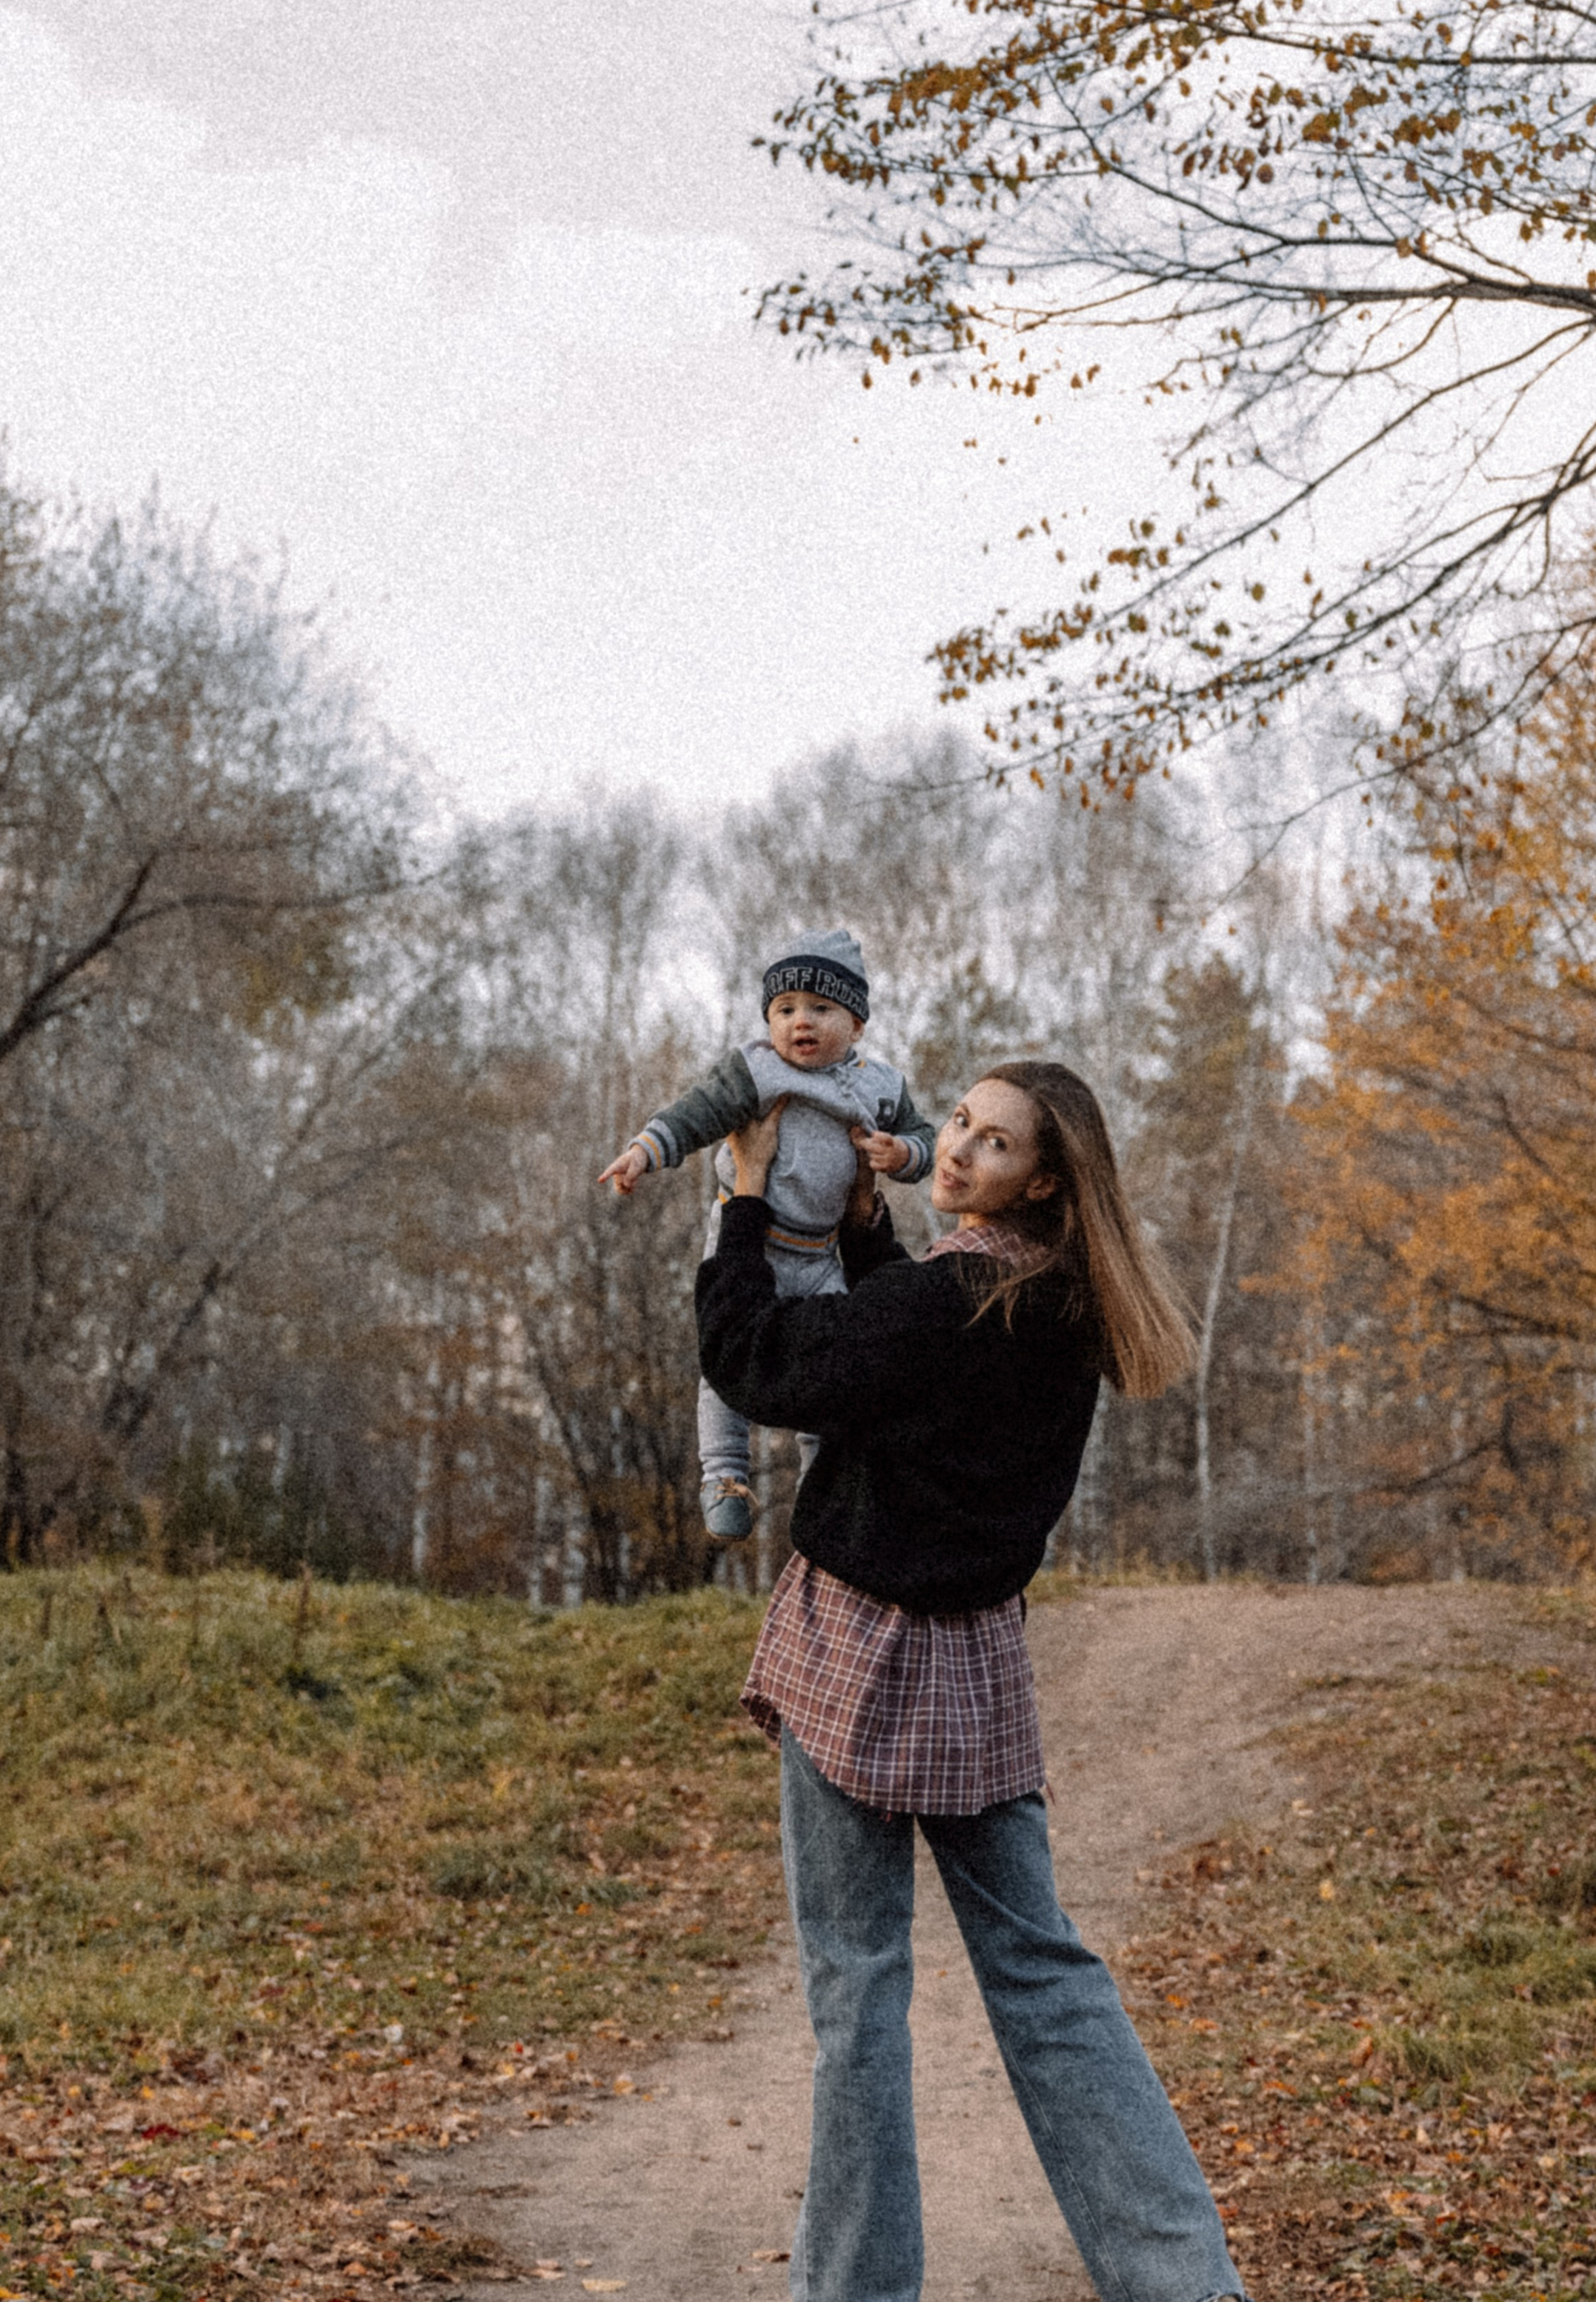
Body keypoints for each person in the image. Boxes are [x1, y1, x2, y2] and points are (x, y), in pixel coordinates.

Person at [696, 1059, 1248, 2302]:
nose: (955, 1149)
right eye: (956, 1124)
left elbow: (764, 1364)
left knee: (857, 1990)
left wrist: (744, 1201)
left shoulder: (947, 1306)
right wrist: (865, 1228)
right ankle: (1184, 2284)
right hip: (978, 1667)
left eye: (993, 1145)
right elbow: (907, 1355)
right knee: (1045, 1974)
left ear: (1041, 1178)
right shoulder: (1057, 1304)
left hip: (858, 1653)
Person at [597, 928, 935, 1542]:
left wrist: (900, 1152)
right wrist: (644, 1152)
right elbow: (695, 1113)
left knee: (830, 1363)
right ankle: (724, 1476)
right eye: (784, 1009)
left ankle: (821, 1481)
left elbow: (928, 1143)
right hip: (746, 1236)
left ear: (856, 1024)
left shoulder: (881, 1086)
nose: (799, 1022)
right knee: (725, 1360)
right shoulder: (757, 1070)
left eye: (819, 1008)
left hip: (820, 1250)